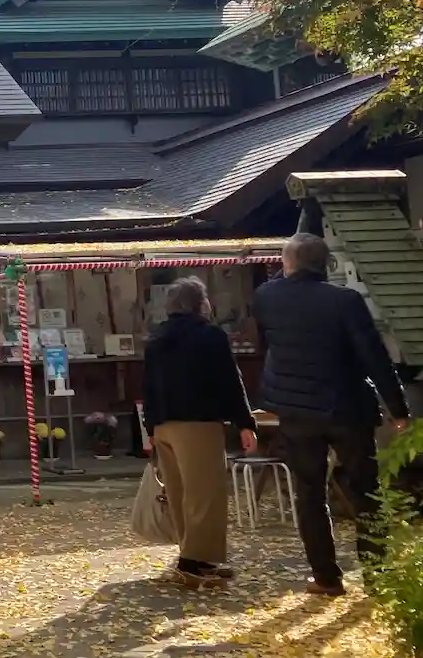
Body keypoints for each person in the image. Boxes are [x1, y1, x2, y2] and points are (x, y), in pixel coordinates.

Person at [254, 233, 411, 597]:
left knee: (309, 493)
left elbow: (281, 285)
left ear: (287, 263)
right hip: (347, 407)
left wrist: (289, 265)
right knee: (366, 490)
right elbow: (374, 356)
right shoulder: (345, 301)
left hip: (296, 411)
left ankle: (326, 577)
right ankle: (377, 574)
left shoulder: (266, 298)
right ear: (327, 264)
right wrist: (397, 409)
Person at [143, 276, 258, 587]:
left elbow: (147, 386)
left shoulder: (156, 338)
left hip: (164, 424)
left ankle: (196, 556)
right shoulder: (210, 336)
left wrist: (150, 426)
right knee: (205, 493)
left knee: (179, 493)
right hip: (198, 422)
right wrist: (245, 422)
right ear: (200, 304)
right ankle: (193, 562)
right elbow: (229, 381)